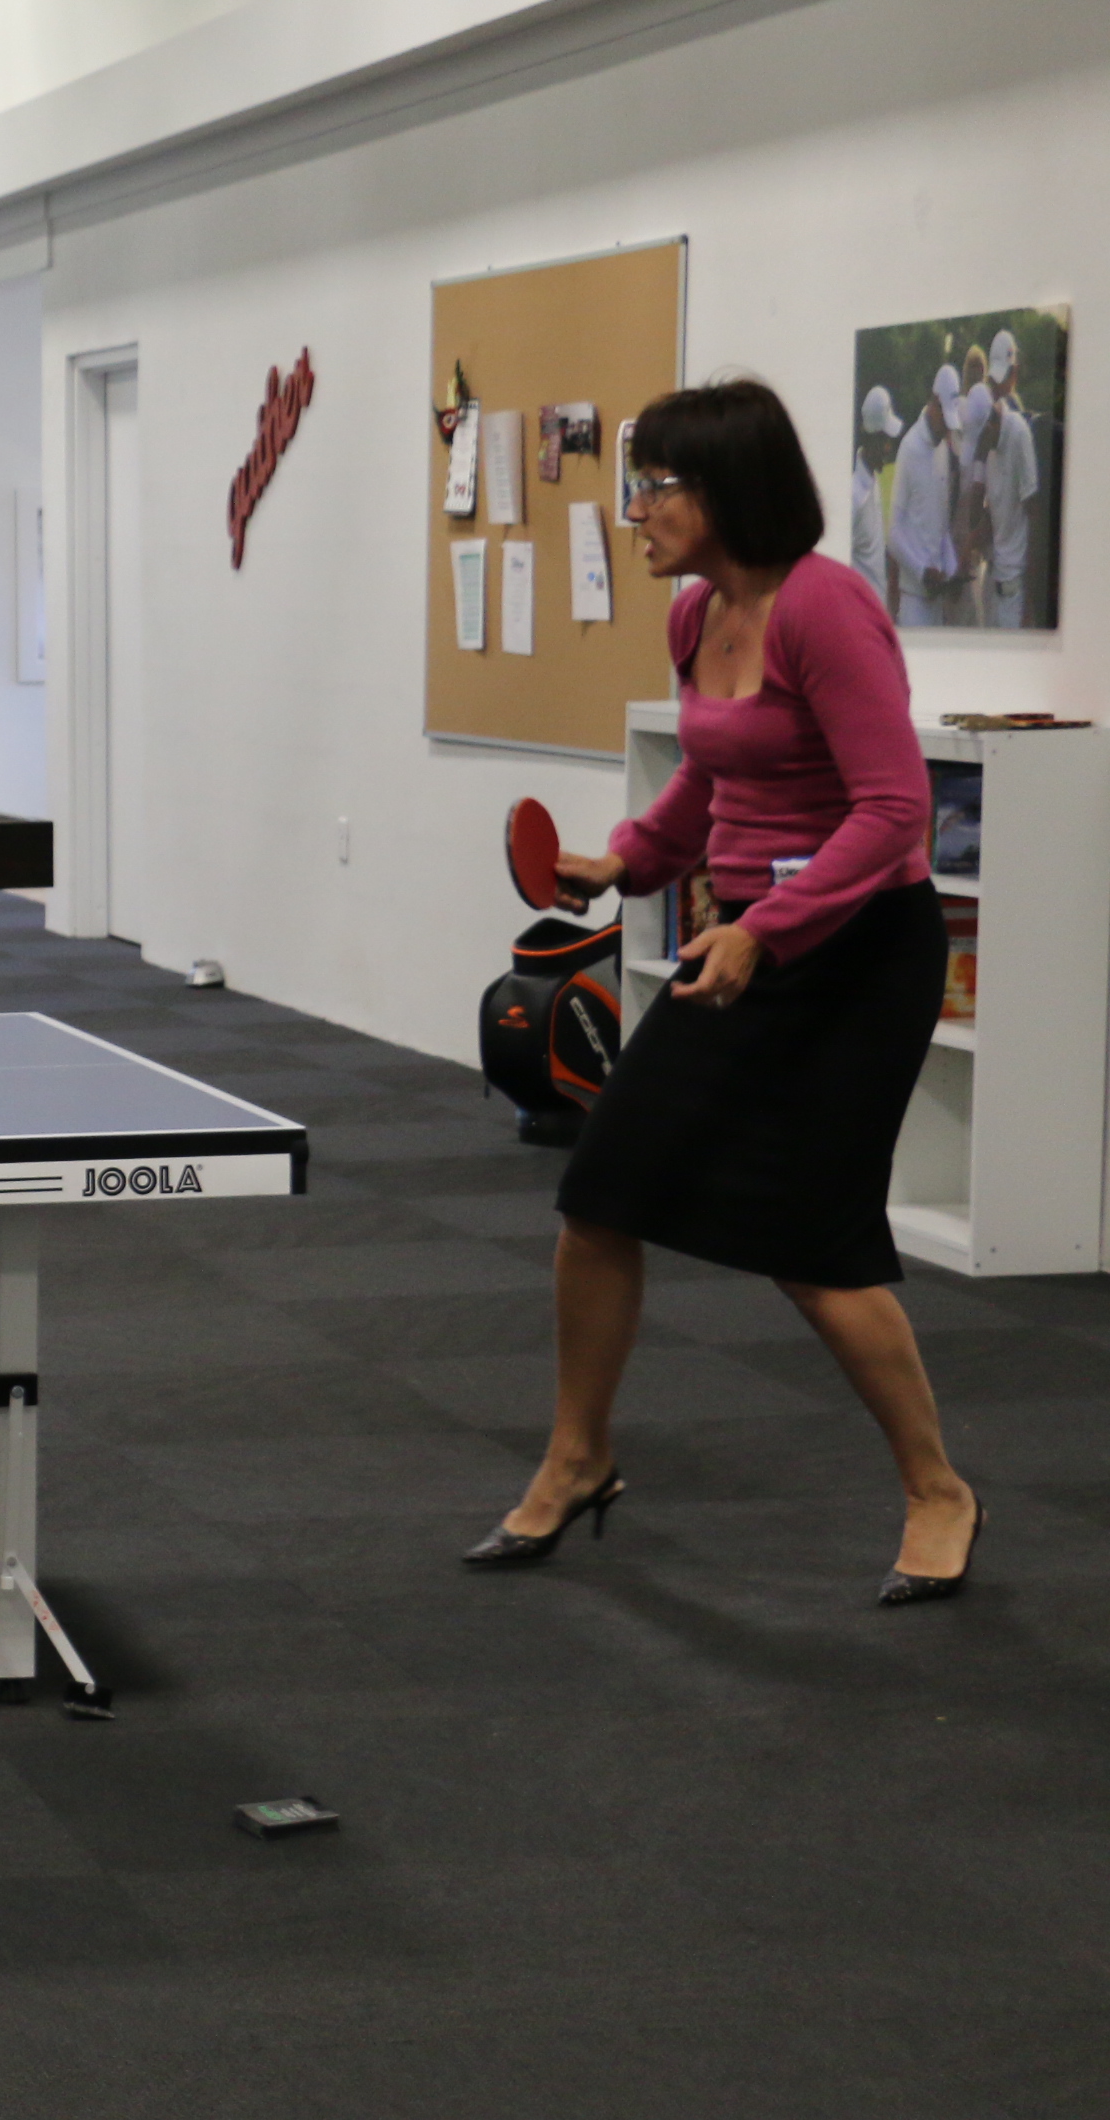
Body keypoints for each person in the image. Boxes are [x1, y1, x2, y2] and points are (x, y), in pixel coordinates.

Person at [468, 379, 978, 1603]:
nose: (634, 509)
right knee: (600, 1196)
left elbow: (894, 810)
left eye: (653, 486)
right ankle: (579, 1458)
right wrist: (630, 859)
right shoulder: (697, 612)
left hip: (858, 954)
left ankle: (937, 1489)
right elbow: (711, 777)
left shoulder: (827, 610)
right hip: (742, 945)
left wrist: (768, 931)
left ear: (724, 490)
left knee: (816, 1247)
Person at [885, 364, 963, 626]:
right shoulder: (909, 448)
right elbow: (893, 533)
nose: (947, 430)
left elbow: (941, 530)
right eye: (945, 420)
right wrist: (922, 572)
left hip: (937, 601)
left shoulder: (943, 449)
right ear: (933, 402)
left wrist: (953, 571)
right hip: (914, 602)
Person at [977, 328, 1042, 629]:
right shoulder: (986, 427)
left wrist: (1029, 603)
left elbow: (1033, 515)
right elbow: (994, 510)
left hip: (1014, 595)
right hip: (992, 585)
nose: (998, 387)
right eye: (993, 381)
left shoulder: (1018, 433)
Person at [851, 383, 903, 612]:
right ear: (871, 439)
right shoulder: (853, 496)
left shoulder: (873, 482)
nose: (888, 448)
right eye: (884, 440)